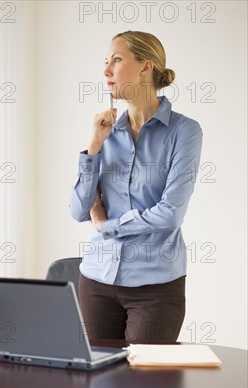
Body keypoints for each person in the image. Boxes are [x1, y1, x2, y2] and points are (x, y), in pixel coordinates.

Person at [69, 30, 203, 343]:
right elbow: (78, 210)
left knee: (144, 387)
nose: (106, 71)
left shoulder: (185, 132)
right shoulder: (106, 130)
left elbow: (170, 214)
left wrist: (106, 225)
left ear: (146, 67)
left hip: (155, 285)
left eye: (116, 60)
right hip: (96, 279)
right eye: (106, 62)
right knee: (97, 384)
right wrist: (93, 148)